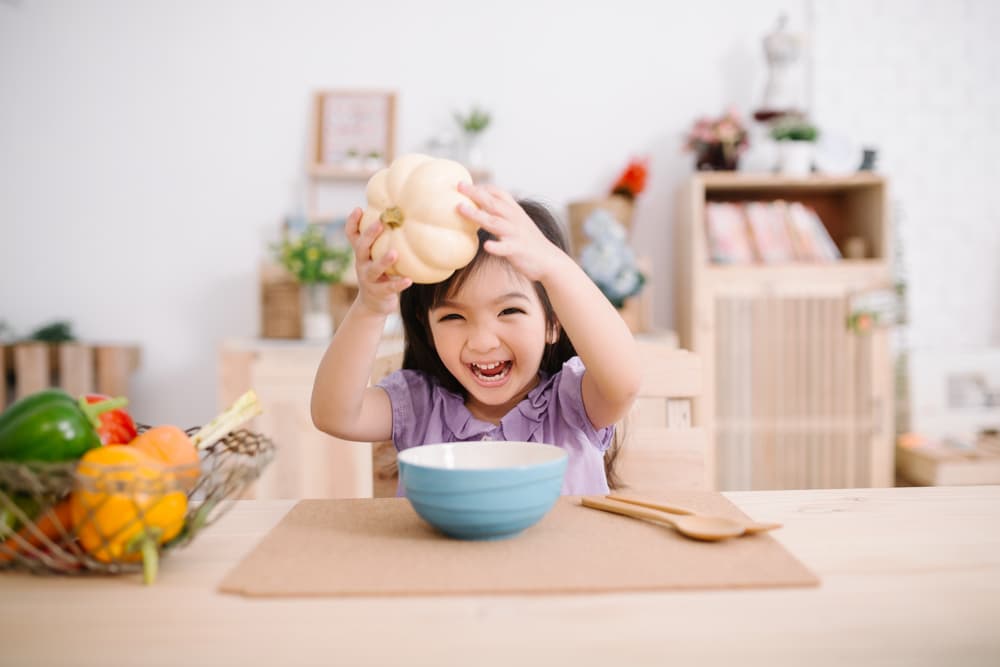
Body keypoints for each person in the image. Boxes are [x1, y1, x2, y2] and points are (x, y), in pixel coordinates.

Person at [310, 181, 642, 494]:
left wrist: (555, 267)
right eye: (453, 316)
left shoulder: (572, 405)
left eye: (509, 311)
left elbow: (624, 382)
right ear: (427, 328)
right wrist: (370, 307)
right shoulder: (420, 405)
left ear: (553, 322)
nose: (482, 342)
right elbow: (334, 414)